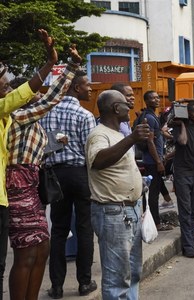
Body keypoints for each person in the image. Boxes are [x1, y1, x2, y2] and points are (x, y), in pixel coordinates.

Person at [0, 29, 69, 300]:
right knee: (27, 251)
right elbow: (52, 97)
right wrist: (68, 66)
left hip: (27, 188)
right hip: (16, 188)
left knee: (41, 249)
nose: (6, 88)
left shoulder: (19, 119)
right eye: (4, 85)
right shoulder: (17, 116)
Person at [39, 69, 98, 298]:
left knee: (59, 230)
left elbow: (44, 146)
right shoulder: (85, 115)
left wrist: (57, 146)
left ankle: (57, 286)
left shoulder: (46, 113)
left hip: (56, 176)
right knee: (84, 228)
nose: (90, 88)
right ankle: (84, 283)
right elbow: (91, 152)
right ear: (75, 88)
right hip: (80, 174)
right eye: (87, 85)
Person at [86, 90, 150, 299]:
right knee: (116, 279)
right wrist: (132, 138)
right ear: (116, 108)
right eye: (126, 104)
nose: (129, 107)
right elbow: (98, 161)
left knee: (132, 273)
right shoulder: (99, 134)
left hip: (129, 210)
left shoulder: (118, 134)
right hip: (113, 213)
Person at [168, 99, 194, 257]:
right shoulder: (178, 126)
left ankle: (192, 241)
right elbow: (183, 141)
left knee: (193, 211)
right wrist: (183, 123)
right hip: (183, 175)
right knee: (185, 212)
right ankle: (187, 247)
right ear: (188, 113)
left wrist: (188, 101)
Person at [138, 90, 172, 231]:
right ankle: (156, 224)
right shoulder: (150, 118)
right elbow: (151, 142)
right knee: (153, 194)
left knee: (153, 192)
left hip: (152, 159)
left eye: (157, 97)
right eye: (153, 98)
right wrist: (158, 162)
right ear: (146, 101)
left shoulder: (150, 115)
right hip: (152, 161)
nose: (157, 100)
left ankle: (152, 221)